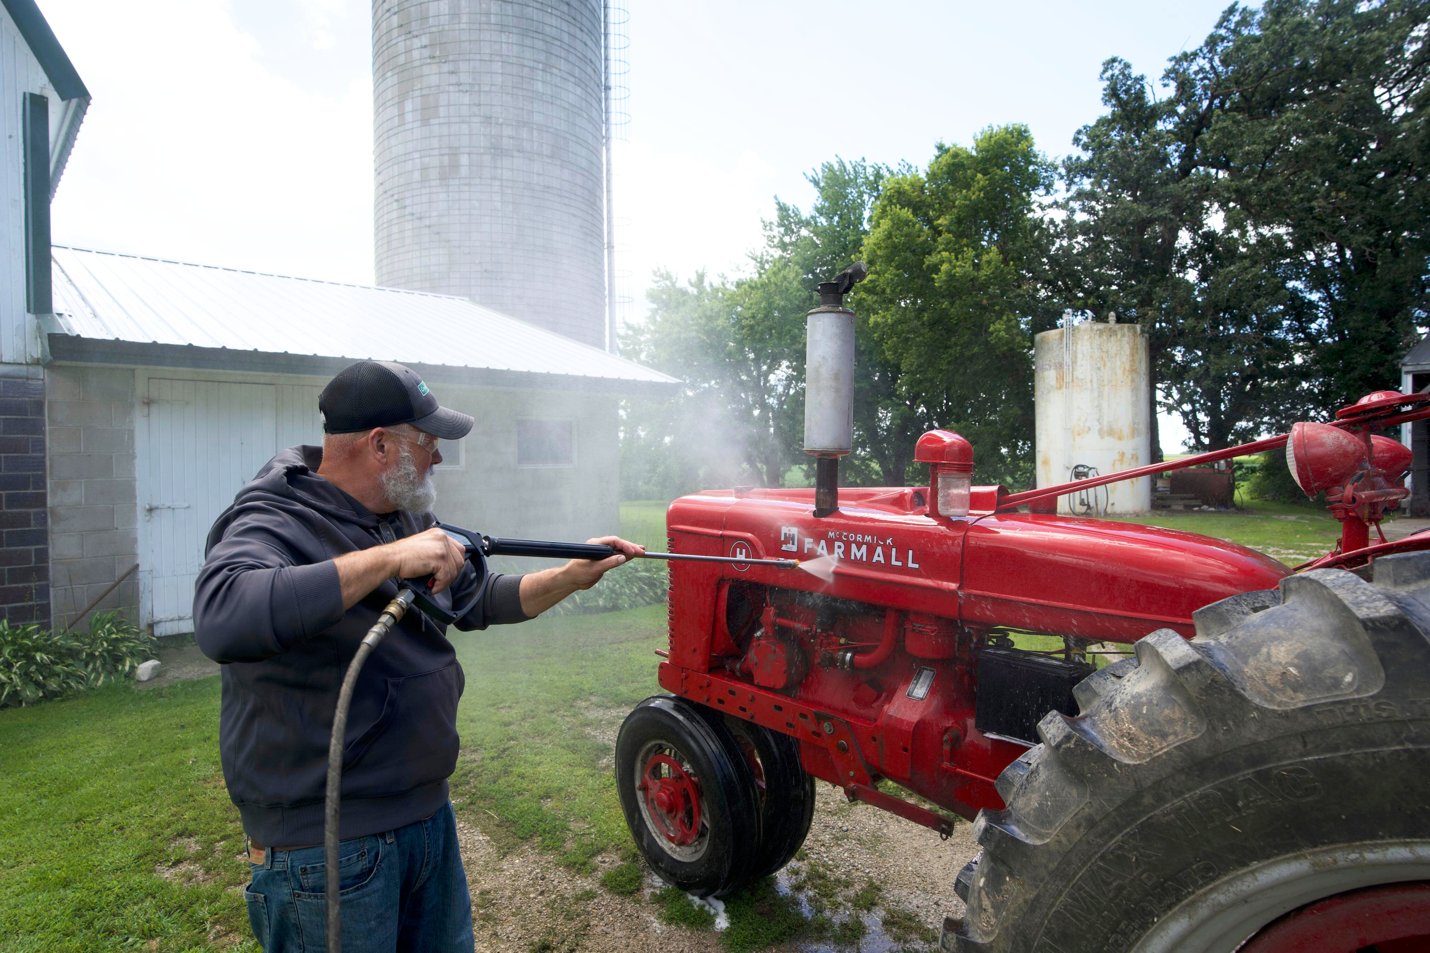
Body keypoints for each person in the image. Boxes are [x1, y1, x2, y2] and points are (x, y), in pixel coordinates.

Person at [193, 359, 643, 952]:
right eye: (427, 442)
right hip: (328, 846)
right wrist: (388, 559)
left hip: (426, 817)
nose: (438, 457)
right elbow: (225, 615)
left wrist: (567, 576)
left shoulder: (399, 518)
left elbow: (474, 599)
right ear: (379, 445)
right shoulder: (272, 519)